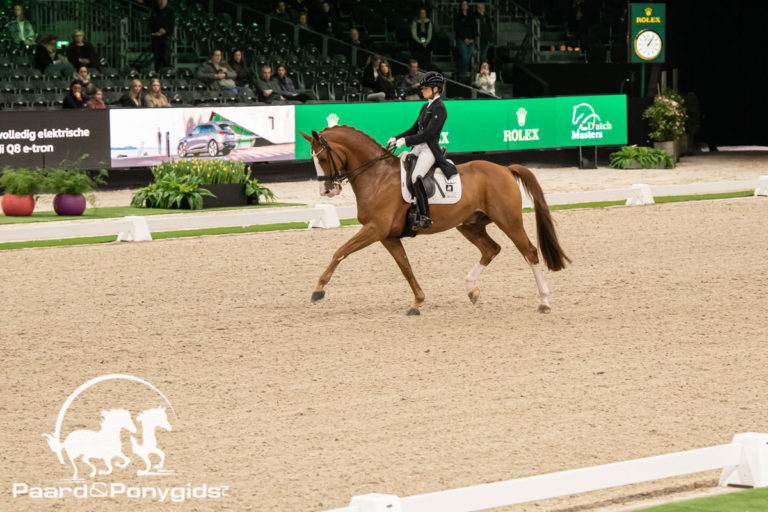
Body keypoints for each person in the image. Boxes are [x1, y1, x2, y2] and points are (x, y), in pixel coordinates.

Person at [387, 72, 456, 230]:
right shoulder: (425, 106)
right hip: (418, 146)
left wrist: (406, 141)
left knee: (416, 177)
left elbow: (429, 134)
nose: (422, 90)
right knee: (401, 168)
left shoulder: (440, 108)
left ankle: (425, 215)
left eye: (426, 88)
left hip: (430, 149)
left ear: (436, 89)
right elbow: (414, 129)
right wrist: (396, 137)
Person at [148, 0, 175, 71]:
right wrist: (155, 31)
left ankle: (167, 72)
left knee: (166, 55)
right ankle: (157, 71)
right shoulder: (154, 11)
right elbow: (151, 23)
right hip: (156, 37)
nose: (161, 2)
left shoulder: (170, 11)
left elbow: (171, 24)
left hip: (166, 37)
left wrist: (165, 30)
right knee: (157, 56)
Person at [454, 0, 476, 80]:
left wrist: (473, 38)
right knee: (464, 57)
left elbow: (474, 27)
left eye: (466, 4)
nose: (464, 5)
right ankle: (462, 74)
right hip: (461, 39)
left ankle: (462, 73)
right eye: (463, 4)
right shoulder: (457, 16)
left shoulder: (471, 15)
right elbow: (457, 28)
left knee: (468, 57)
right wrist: (464, 38)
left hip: (471, 39)